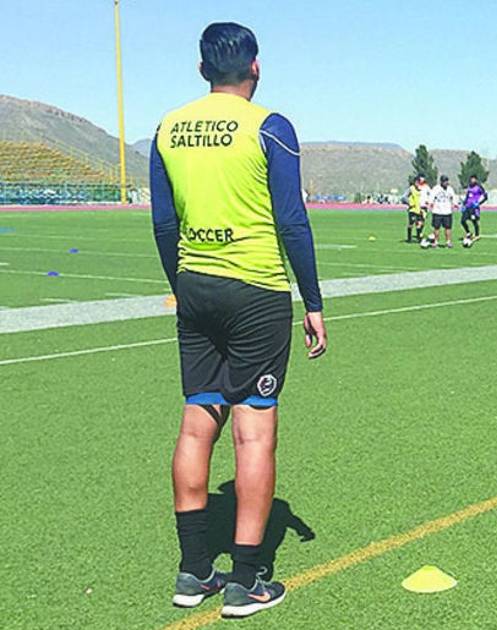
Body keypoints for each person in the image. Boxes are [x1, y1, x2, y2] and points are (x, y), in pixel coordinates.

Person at [150, 22, 327, 618]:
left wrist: (182, 287)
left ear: (203, 70)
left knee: (196, 423)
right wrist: (313, 301)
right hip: (256, 292)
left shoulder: (168, 128)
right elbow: (292, 221)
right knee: (254, 430)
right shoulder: (270, 127)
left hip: (195, 286)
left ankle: (194, 571)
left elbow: (164, 224)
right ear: (256, 67)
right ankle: (247, 580)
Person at [428, 175, 458, 247]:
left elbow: (454, 197)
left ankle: (448, 242)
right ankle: (436, 241)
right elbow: (431, 197)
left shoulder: (450, 189)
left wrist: (455, 204)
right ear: (441, 182)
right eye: (444, 181)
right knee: (436, 227)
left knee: (448, 227)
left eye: (447, 181)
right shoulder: (436, 188)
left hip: (447, 212)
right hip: (437, 211)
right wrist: (430, 203)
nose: (446, 183)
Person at [461, 175, 487, 240]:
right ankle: (468, 233)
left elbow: (485, 197)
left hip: (474, 207)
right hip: (467, 207)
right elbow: (467, 197)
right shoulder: (469, 187)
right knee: (463, 221)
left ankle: (477, 235)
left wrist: (478, 203)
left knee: (474, 220)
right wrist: (464, 204)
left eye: (473, 179)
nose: (472, 180)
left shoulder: (479, 187)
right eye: (471, 179)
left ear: (476, 180)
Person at [404, 175, 427, 243]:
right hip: (412, 210)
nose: (418, 183)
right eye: (416, 182)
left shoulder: (420, 190)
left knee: (419, 224)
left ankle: (418, 237)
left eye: (419, 182)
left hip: (418, 210)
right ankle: (409, 238)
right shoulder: (411, 189)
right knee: (411, 224)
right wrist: (409, 203)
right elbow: (403, 197)